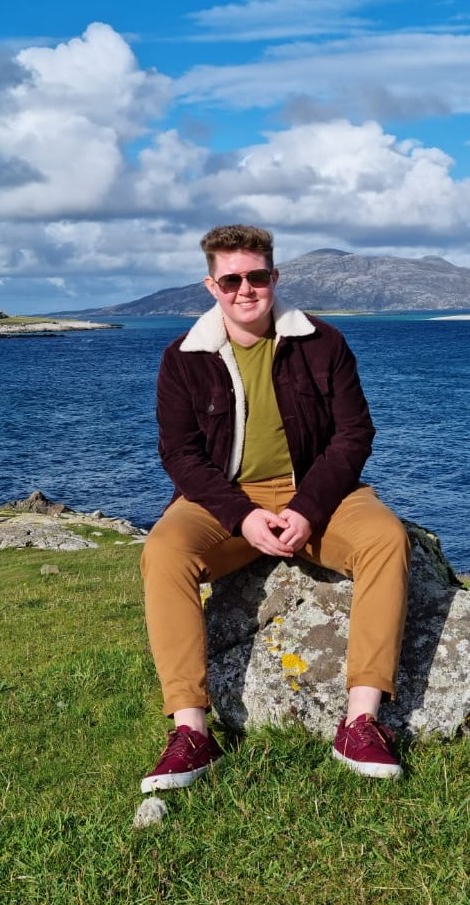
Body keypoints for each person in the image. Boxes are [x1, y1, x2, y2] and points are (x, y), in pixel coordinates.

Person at [140, 224, 411, 793]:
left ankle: (361, 721)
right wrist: (242, 517)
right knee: (164, 551)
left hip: (317, 492)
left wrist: (309, 508)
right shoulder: (183, 359)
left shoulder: (323, 343)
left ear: (274, 278)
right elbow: (181, 455)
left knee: (385, 538)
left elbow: (354, 435)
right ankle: (191, 730)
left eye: (257, 276)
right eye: (232, 279)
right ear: (211, 285)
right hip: (222, 500)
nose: (246, 289)